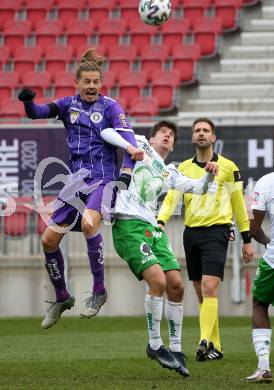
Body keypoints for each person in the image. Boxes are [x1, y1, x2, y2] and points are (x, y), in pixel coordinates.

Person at [18, 48, 143, 328]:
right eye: (86, 82)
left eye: (95, 82)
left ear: (101, 83)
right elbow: (37, 113)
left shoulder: (111, 108)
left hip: (104, 180)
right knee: (48, 240)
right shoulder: (67, 105)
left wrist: (126, 174)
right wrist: (28, 103)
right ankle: (62, 297)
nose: (91, 86)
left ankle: (99, 290)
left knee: (89, 224)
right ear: (77, 83)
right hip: (76, 182)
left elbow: (131, 145)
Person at [112, 120, 219, 376]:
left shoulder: (169, 171)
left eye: (171, 135)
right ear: (153, 136)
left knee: (176, 285)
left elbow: (199, 188)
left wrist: (209, 174)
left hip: (153, 230)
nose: (167, 137)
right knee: (157, 281)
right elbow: (111, 132)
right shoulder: (138, 144)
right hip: (128, 226)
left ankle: (176, 347)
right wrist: (128, 146)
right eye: (163, 133)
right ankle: (154, 344)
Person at [157, 117, 254, 361]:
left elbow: (238, 206)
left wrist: (247, 238)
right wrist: (160, 221)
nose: (201, 133)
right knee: (202, 294)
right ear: (192, 137)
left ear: (213, 138)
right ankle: (216, 346)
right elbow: (171, 199)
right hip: (191, 234)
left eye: (206, 130)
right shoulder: (183, 169)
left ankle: (203, 342)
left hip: (216, 232)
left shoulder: (229, 168)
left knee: (210, 288)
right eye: (197, 130)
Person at [246, 172, 274, 383]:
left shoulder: (266, 182)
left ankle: (264, 367)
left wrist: (266, 241)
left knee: (260, 303)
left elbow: (253, 228)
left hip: (273, 261)